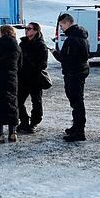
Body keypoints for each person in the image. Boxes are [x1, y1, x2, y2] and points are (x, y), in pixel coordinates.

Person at [53, 13, 90, 142]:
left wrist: (55, 53)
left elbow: (65, 58)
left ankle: (79, 131)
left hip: (74, 74)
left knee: (77, 102)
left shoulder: (72, 39)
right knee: (77, 102)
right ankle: (76, 127)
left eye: (62, 25)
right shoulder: (82, 36)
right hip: (79, 72)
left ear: (68, 22)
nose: (61, 28)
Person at [17, 22, 49, 134]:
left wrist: (29, 64)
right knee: (17, 101)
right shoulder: (22, 44)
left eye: (29, 29)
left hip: (35, 79)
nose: (26, 31)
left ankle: (34, 122)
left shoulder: (41, 45)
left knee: (36, 102)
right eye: (26, 28)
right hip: (23, 78)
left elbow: (43, 64)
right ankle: (24, 121)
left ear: (36, 31)